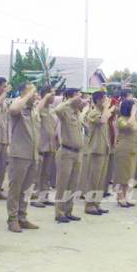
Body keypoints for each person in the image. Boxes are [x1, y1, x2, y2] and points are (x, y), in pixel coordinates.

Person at [5, 83, 41, 232]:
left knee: (26, 190)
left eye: (35, 92)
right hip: (19, 155)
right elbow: (13, 109)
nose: (35, 95)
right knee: (15, 189)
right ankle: (12, 219)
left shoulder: (33, 110)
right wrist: (27, 95)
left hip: (32, 155)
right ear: (23, 94)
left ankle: (22, 217)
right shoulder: (18, 106)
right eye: (32, 92)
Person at [53, 89, 85, 223]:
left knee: (73, 184)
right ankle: (59, 212)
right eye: (77, 95)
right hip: (66, 152)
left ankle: (68, 211)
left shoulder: (76, 113)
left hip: (77, 153)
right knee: (62, 184)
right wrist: (70, 100)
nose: (80, 98)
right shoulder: (65, 111)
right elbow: (57, 109)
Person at [82, 90, 113, 215]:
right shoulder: (93, 113)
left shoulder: (101, 112)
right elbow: (103, 120)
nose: (106, 100)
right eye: (104, 98)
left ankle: (96, 203)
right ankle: (89, 205)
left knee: (101, 180)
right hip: (95, 150)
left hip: (103, 150)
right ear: (98, 100)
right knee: (93, 179)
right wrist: (106, 108)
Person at [31, 86, 57, 208]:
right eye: (52, 94)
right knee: (37, 173)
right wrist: (44, 98)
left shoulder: (50, 109)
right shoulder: (38, 106)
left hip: (50, 145)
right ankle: (34, 197)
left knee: (46, 173)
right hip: (41, 145)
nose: (54, 97)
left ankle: (44, 196)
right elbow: (36, 112)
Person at [112, 98, 137, 207]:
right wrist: (133, 114)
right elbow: (127, 126)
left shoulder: (134, 118)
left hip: (133, 149)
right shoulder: (121, 119)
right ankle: (120, 197)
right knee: (121, 174)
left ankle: (125, 196)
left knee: (129, 175)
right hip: (124, 149)